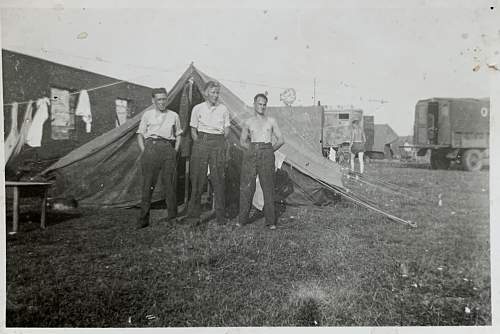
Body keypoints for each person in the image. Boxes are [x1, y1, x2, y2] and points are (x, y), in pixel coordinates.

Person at [136, 88, 182, 229]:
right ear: (153, 101)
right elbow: (140, 134)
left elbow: (179, 134)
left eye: (164, 99)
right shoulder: (147, 115)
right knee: (147, 186)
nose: (162, 102)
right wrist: (145, 151)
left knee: (170, 185)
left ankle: (172, 218)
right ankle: (143, 219)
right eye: (159, 99)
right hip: (151, 148)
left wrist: (174, 151)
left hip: (167, 148)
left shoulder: (174, 115)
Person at [238, 93, 284, 230]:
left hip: (267, 152)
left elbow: (281, 140)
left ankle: (270, 221)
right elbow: (242, 141)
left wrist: (269, 150)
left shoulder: (271, 121)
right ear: (254, 104)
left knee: (268, 187)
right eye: (259, 104)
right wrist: (252, 149)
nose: (262, 107)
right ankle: (242, 220)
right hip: (252, 152)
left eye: (264, 104)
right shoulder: (248, 121)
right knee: (247, 187)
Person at [186, 81, 230, 224]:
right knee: (198, 179)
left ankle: (221, 217)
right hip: (202, 142)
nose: (216, 95)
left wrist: (221, 142)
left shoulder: (223, 109)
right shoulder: (197, 108)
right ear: (206, 93)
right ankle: (193, 216)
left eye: (217, 93)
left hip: (218, 142)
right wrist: (199, 143)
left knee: (218, 179)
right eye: (213, 92)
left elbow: (227, 129)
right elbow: (193, 130)